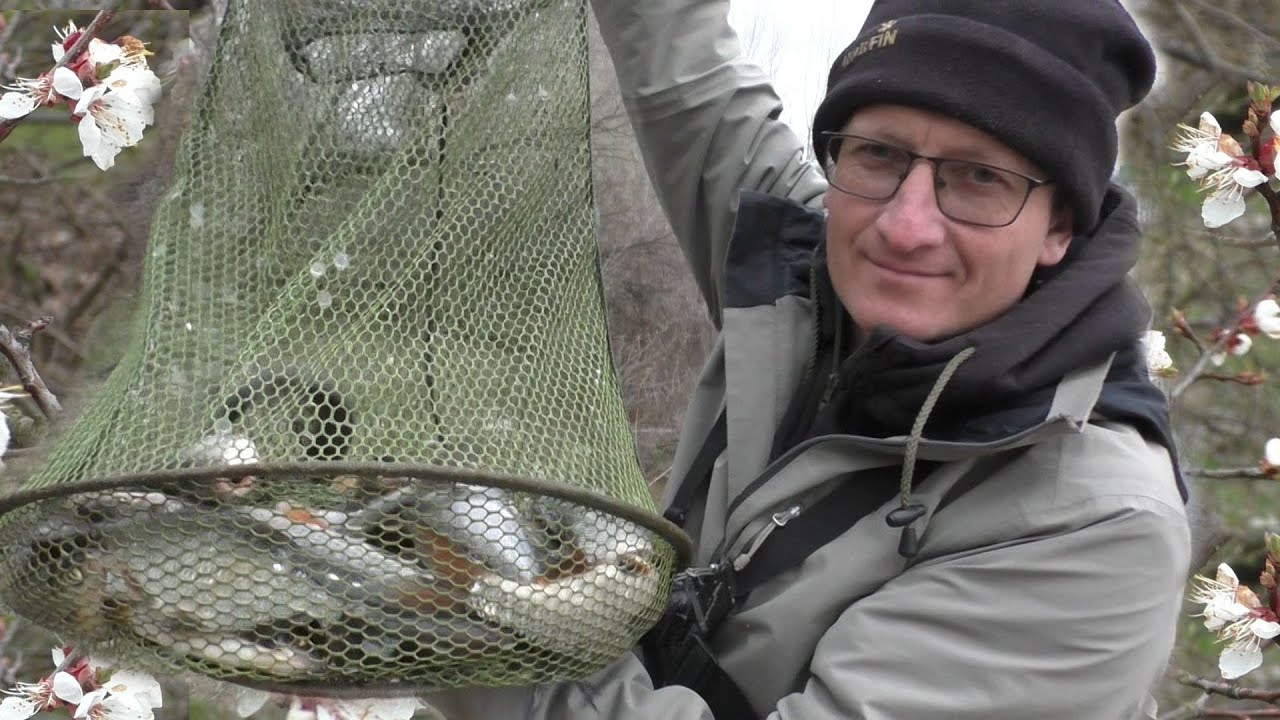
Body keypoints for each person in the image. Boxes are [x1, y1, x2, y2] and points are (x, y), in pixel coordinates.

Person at [429, 0, 1192, 717]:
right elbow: (682, 75)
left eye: (980, 178)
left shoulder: (1099, 525)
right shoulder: (808, 264)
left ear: (1061, 226)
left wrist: (463, 624)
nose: (905, 225)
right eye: (879, 154)